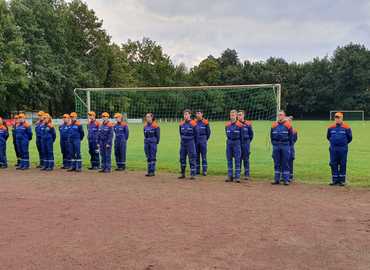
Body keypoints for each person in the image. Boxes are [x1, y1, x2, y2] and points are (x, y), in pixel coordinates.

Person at [327, 112, 352, 186]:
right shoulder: (330, 127)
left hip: (343, 148)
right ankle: (334, 180)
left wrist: (343, 143)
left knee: (343, 163)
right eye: (336, 118)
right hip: (333, 148)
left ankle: (342, 180)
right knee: (333, 163)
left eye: (339, 118)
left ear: (342, 118)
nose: (337, 119)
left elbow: (350, 138)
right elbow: (328, 137)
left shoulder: (346, 127)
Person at [271, 110, 293, 185]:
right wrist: (274, 144)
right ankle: (276, 179)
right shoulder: (274, 125)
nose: (280, 116)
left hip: (285, 145)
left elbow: (291, 137)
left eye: (281, 115)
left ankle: (286, 179)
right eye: (279, 115)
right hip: (276, 145)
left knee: (285, 162)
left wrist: (288, 146)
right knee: (276, 162)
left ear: (284, 116)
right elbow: (271, 136)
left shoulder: (288, 125)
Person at [225, 110, 244, 183]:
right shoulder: (227, 125)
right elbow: (226, 134)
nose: (232, 116)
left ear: (236, 116)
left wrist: (239, 144)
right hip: (229, 142)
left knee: (237, 160)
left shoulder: (240, 125)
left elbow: (242, 136)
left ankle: (237, 176)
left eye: (233, 115)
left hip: (237, 142)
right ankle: (230, 176)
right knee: (229, 159)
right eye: (231, 115)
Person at [178, 109, 197, 180]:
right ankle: (182, 173)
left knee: (192, 158)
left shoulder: (193, 123)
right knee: (182, 158)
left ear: (190, 115)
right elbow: (180, 133)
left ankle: (193, 174)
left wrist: (192, 142)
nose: (185, 116)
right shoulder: (181, 124)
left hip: (190, 142)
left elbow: (196, 134)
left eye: (186, 114)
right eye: (184, 114)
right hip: (183, 143)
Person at [237, 110, 254, 180]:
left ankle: (247, 174)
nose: (239, 116)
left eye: (240, 114)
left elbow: (251, 134)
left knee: (246, 158)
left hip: (246, 143)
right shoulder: (236, 124)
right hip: (238, 143)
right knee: (238, 158)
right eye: (238, 115)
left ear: (244, 115)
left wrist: (248, 142)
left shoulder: (248, 124)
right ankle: (238, 173)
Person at [194, 110, 211, 176]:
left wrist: (205, 139)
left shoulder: (206, 122)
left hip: (203, 140)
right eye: (197, 113)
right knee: (196, 156)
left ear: (202, 114)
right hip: (196, 141)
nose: (198, 115)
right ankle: (197, 170)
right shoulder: (194, 122)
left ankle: (204, 170)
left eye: (199, 113)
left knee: (204, 156)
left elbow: (208, 132)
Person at [287, 116, 298, 181]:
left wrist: (291, 144)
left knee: (290, 161)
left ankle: (290, 176)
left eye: (290, 120)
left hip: (290, 147)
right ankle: (283, 175)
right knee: (284, 161)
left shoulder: (294, 130)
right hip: (284, 146)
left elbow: (295, 139)